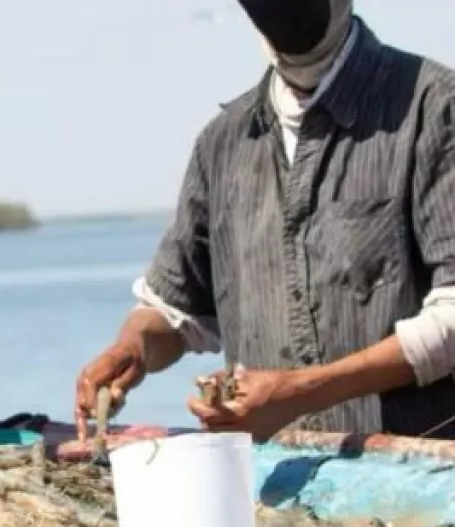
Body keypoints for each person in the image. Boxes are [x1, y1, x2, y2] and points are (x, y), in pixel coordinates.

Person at [74, 0, 455, 443]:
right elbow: (174, 310)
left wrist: (302, 392)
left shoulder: (434, 110)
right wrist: (134, 348)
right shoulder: (223, 144)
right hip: (267, 488)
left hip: (422, 488)